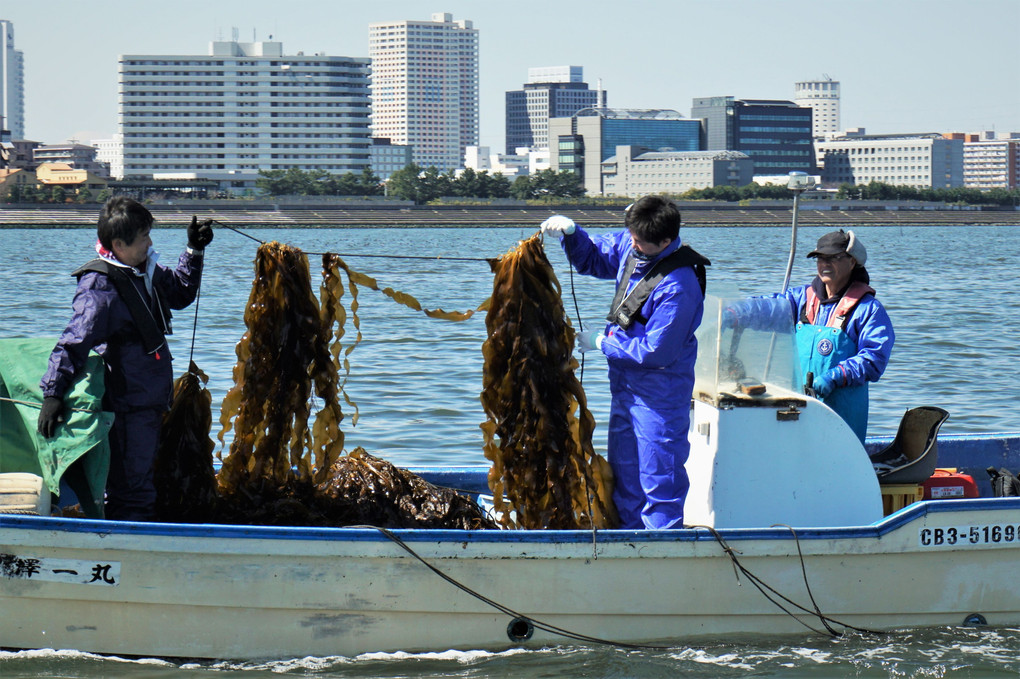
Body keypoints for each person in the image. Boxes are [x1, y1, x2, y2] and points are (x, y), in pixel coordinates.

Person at [38, 197, 213, 521]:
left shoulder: (143, 269)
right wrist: (52, 393)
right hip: (127, 401)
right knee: (133, 490)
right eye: (144, 236)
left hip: (150, 398)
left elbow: (180, 293)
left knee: (140, 481)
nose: (150, 242)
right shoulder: (99, 287)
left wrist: (194, 250)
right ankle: (126, 555)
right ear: (118, 244)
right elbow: (74, 341)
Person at [541, 196, 709, 530]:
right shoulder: (632, 245)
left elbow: (655, 352)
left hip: (659, 396)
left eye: (640, 241)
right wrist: (573, 234)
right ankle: (628, 543)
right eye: (630, 235)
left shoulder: (679, 287)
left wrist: (603, 343)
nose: (632, 243)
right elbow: (593, 259)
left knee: (659, 481)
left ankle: (662, 550)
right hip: (624, 389)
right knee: (626, 478)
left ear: (665, 241)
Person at [724, 229, 894, 443]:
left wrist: (835, 377)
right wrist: (734, 313)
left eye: (833, 258)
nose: (825, 264)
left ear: (852, 262)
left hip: (842, 417)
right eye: (820, 258)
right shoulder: (800, 300)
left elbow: (874, 359)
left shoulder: (868, 309)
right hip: (799, 409)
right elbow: (768, 308)